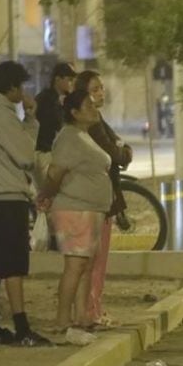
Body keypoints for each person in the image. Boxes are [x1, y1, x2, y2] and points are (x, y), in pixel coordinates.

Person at [0, 61, 53, 347]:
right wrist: (31, 121)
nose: (23, 91)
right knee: (14, 265)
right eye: (21, 86)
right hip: (10, 199)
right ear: (11, 87)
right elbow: (26, 156)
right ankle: (22, 329)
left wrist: (27, 120)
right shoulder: (2, 116)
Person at [36, 89, 113, 346]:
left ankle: (81, 317)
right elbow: (55, 173)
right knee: (75, 265)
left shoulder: (83, 135)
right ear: (74, 112)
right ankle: (62, 319)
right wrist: (45, 196)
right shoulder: (69, 137)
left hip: (90, 210)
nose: (94, 109)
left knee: (86, 265)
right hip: (74, 209)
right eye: (88, 106)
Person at [74, 70, 132, 326]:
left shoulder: (97, 119)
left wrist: (122, 150)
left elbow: (119, 145)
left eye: (101, 88)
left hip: (103, 196)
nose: (101, 93)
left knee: (97, 260)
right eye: (95, 89)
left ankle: (93, 309)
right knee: (94, 261)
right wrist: (123, 152)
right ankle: (91, 311)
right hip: (97, 198)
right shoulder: (91, 123)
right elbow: (114, 152)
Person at [34, 61, 76, 171]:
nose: (71, 83)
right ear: (57, 79)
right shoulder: (45, 99)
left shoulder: (66, 99)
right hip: (45, 152)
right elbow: (55, 125)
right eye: (69, 79)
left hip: (59, 152)